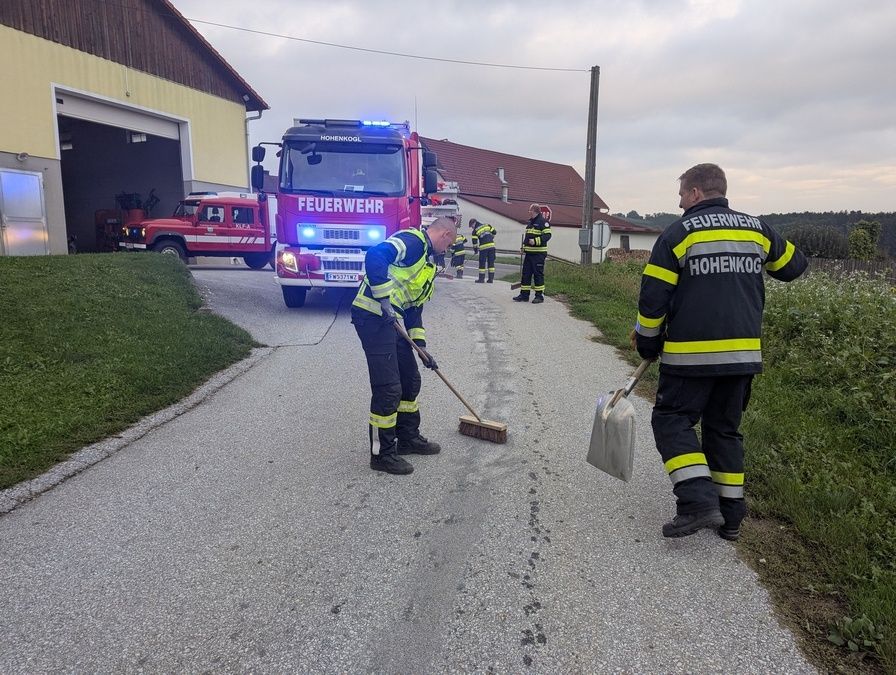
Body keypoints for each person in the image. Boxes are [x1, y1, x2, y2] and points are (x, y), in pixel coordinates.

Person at [632, 163, 807, 539]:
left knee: (672, 420)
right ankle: (730, 515)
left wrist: (647, 341)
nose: (679, 203)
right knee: (724, 430)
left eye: (681, 194)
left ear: (695, 193)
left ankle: (697, 501)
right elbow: (794, 267)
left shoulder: (678, 234)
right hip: (742, 358)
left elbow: (653, 297)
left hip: (689, 358)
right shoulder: (757, 229)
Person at [351, 217, 457, 475]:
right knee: (388, 389)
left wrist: (421, 349)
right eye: (449, 244)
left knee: (410, 381)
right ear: (444, 234)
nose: (446, 251)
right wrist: (384, 298)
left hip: (392, 320)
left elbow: (413, 311)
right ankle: (382, 454)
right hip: (373, 316)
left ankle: (407, 438)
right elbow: (376, 255)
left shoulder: (427, 266)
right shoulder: (413, 241)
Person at [513, 204, 552, 303]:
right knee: (526, 274)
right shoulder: (530, 223)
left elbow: (547, 235)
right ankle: (524, 295)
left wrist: (535, 241)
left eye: (529, 210)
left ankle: (539, 296)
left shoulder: (543, 222)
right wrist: (523, 248)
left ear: (534, 211)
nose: (528, 212)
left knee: (538, 274)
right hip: (529, 254)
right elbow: (527, 238)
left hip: (538, 254)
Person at [469, 218, 497, 283]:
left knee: (482, 264)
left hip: (483, 248)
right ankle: (491, 280)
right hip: (492, 247)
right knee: (491, 263)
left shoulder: (475, 231)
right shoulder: (487, 225)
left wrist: (475, 250)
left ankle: (481, 279)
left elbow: (475, 243)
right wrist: (491, 237)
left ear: (474, 223)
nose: (472, 228)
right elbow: (495, 232)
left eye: (471, 226)